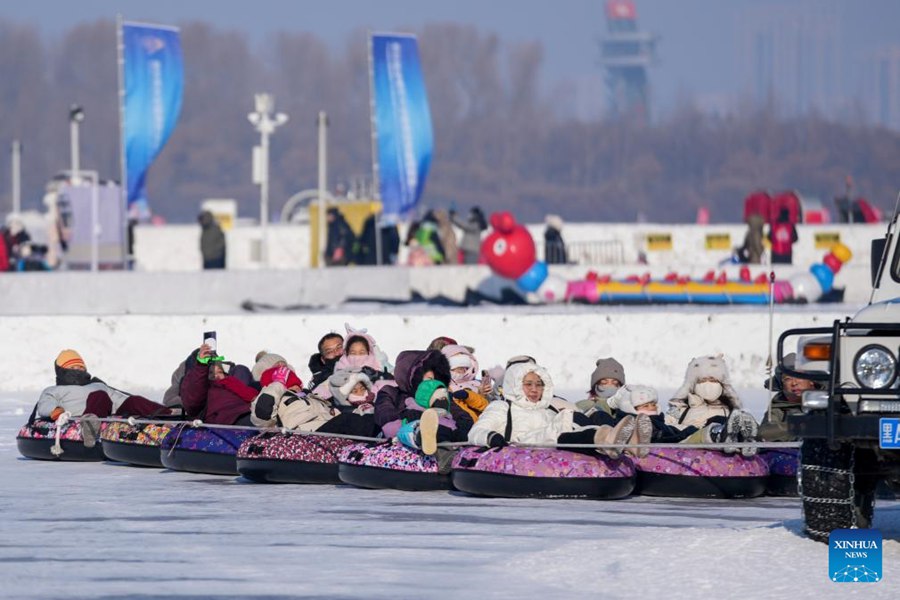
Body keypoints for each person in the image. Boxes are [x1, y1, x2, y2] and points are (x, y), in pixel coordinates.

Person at [468, 362, 641, 459]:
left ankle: (626, 443)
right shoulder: (502, 407)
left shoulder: (548, 407)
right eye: (528, 384)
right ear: (515, 385)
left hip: (554, 443)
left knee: (587, 417)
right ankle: (607, 439)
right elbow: (476, 431)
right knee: (566, 420)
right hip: (521, 445)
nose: (534, 389)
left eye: (539, 384)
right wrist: (492, 437)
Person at [34, 350, 172, 447]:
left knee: (133, 400)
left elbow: (118, 400)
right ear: (62, 370)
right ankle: (90, 427)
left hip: (105, 413)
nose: (78, 370)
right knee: (98, 395)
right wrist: (55, 411)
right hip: (80, 418)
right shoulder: (54, 390)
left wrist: (133, 405)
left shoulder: (97, 385)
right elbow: (45, 404)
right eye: (72, 367)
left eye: (80, 367)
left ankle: (169, 415)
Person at [664, 355, 760, 457]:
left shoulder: (729, 410)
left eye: (713, 380)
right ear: (693, 384)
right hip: (689, 445)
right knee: (714, 424)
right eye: (702, 380)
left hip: (718, 457)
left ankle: (745, 439)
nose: (708, 385)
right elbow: (666, 428)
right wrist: (695, 428)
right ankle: (719, 433)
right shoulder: (680, 408)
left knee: (738, 418)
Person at [181, 344, 258, 426]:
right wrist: (201, 366)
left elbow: (252, 396)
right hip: (230, 420)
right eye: (211, 373)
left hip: (251, 412)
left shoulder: (229, 382)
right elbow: (195, 394)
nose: (216, 376)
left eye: (220, 372)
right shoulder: (201, 389)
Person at [759, 353, 817, 442]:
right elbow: (765, 432)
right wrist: (800, 426)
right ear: (782, 385)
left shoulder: (829, 398)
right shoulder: (779, 405)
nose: (794, 383)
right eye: (788, 379)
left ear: (811, 380)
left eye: (799, 376)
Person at [441, 344, 491, 422]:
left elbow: (484, 406)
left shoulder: (475, 383)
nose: (462, 369)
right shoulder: (444, 384)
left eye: (465, 365)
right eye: (456, 363)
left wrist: (482, 394)